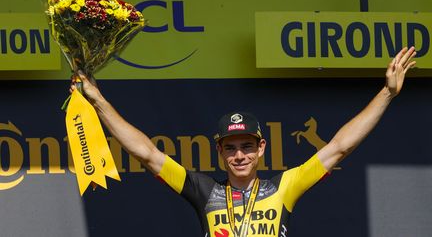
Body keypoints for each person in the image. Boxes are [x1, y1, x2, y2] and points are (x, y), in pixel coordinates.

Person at [70, 47, 416, 237]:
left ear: (262, 148)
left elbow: (341, 145)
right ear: (219, 151)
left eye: (248, 146)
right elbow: (145, 152)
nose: (240, 155)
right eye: (231, 147)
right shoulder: (202, 190)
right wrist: (98, 100)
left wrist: (387, 92)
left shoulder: (286, 186)